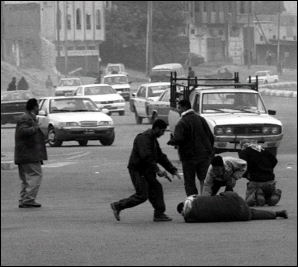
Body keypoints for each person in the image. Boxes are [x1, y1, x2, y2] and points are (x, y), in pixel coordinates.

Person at [110, 119, 182, 222]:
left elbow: (160, 157)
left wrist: (172, 170)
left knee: (157, 188)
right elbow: (146, 157)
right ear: (156, 128)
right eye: (162, 131)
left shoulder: (152, 139)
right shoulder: (144, 138)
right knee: (142, 195)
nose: (162, 134)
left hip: (147, 170)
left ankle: (159, 214)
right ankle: (118, 205)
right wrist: (158, 169)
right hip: (138, 170)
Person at [167, 99, 214, 196]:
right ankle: (205, 202)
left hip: (188, 158)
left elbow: (179, 139)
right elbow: (210, 136)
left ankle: (193, 203)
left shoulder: (182, 123)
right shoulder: (201, 119)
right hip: (204, 156)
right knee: (204, 180)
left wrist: (171, 141)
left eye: (179, 108)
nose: (178, 110)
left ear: (184, 108)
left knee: (189, 182)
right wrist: (209, 151)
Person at [14, 98, 48, 208]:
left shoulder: (28, 118)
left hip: (24, 154)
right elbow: (23, 131)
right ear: (35, 107)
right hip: (28, 154)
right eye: (38, 107)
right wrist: (35, 127)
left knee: (26, 179)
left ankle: (24, 199)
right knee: (35, 176)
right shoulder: (27, 118)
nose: (39, 109)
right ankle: (28, 199)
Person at [177, 192, 288, 223]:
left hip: (237, 214)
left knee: (252, 213)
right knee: (249, 208)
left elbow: (189, 218)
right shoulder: (195, 199)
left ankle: (277, 213)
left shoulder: (190, 218)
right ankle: (276, 212)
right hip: (233, 199)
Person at [239, 139, 282, 207]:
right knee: (267, 201)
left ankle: (256, 195)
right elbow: (274, 160)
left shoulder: (244, 152)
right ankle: (273, 196)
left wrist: (246, 175)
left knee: (248, 201)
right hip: (270, 181)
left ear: (242, 146)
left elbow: (243, 166)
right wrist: (268, 169)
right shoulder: (264, 150)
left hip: (256, 182)